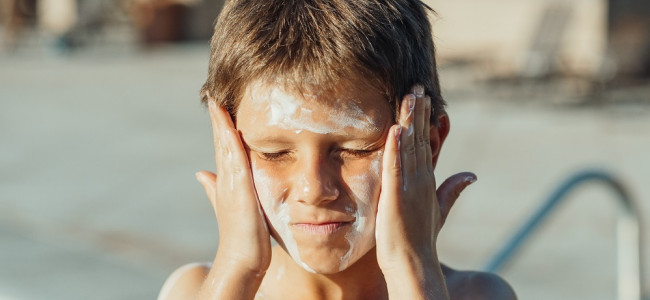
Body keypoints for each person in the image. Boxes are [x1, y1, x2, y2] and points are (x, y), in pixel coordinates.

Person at [159, 0, 517, 299]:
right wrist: (238, 265)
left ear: (429, 144)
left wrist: (411, 268)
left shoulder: (477, 295)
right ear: (228, 150)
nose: (314, 190)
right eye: (274, 153)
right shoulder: (195, 290)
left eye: (354, 149)